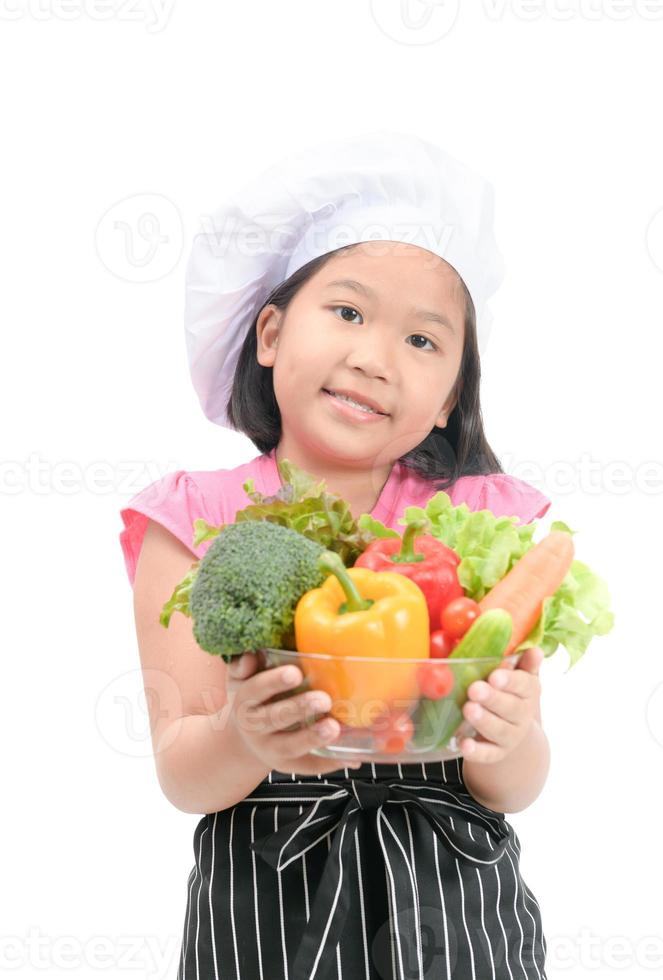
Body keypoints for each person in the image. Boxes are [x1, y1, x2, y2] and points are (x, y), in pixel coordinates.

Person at [119, 131, 552, 980]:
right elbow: (183, 774)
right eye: (347, 312)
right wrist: (245, 737)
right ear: (271, 332)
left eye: (423, 341)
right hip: (262, 892)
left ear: (448, 400)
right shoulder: (190, 521)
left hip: (455, 898)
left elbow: (519, 778)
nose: (373, 358)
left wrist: (506, 743)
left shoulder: (484, 524)